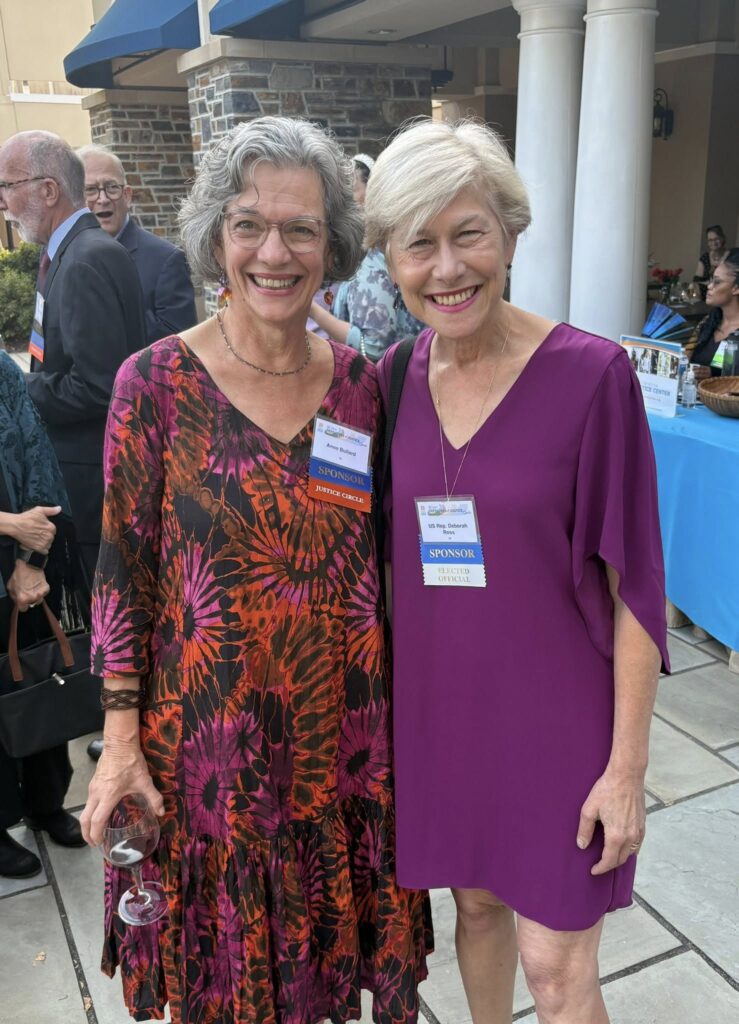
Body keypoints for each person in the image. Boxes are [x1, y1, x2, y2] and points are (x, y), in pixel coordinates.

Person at [80, 116, 432, 1024]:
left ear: (333, 245)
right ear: (215, 236)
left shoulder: (362, 387)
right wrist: (119, 744)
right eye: (249, 225)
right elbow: (121, 576)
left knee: (321, 993)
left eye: (300, 229)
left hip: (341, 748)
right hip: (211, 759)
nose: (274, 253)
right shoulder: (153, 384)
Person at [367, 119, 668, 1024]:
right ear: (388, 259)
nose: (446, 268)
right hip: (441, 716)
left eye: (468, 234)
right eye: (418, 243)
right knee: (476, 911)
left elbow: (635, 590)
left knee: (557, 968)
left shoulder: (591, 377)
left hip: (558, 722)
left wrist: (625, 768)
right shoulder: (389, 380)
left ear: (508, 235)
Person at [0, 131, 146, 581]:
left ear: (48, 190)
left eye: (8, 186)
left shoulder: (85, 259)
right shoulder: (69, 252)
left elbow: (101, 387)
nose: (3, 202)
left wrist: (19, 390)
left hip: (93, 483)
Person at [0, 351, 87, 875]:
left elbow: (39, 459)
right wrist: (7, 523)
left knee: (38, 678)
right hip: (11, 534)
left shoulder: (2, 370)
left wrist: (30, 561)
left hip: (24, 563)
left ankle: (47, 803)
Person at [79, 144, 197, 345]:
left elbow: (180, 345)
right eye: (90, 190)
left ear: (127, 195)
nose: (103, 199)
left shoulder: (166, 260)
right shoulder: (63, 254)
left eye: (112, 187)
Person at [310, 154, 424, 362]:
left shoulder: (373, 259)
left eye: (351, 189)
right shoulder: (364, 253)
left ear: (372, 194)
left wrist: (312, 311)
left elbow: (372, 348)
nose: (343, 200)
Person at [685, 248, 739, 379]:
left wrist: (713, 374)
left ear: (736, 288)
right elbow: (685, 360)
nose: (709, 286)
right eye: (711, 280)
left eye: (717, 282)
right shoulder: (707, 322)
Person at [693, 224, 729, 298]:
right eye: (710, 240)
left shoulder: (731, 256)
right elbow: (696, 281)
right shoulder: (705, 257)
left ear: (722, 238)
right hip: (705, 298)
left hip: (724, 298)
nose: (714, 243)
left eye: (716, 239)